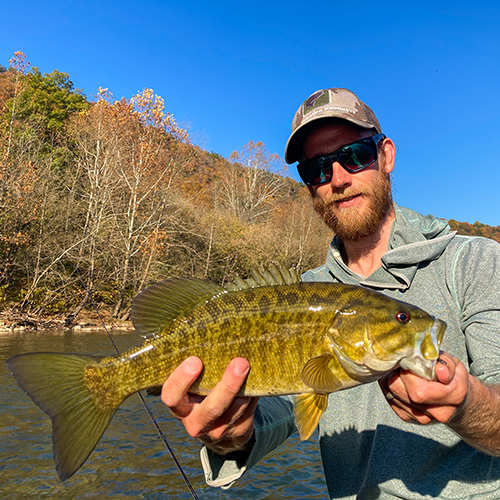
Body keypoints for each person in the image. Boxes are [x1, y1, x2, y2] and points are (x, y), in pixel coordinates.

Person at [161, 88, 500, 498]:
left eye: (356, 154)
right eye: (318, 168)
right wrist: (229, 434)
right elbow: (281, 408)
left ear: (386, 156)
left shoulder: (475, 261)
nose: (338, 178)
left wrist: (466, 406)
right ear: (308, 186)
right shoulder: (303, 290)